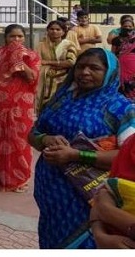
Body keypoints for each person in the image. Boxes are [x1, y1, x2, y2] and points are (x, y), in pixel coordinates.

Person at [28, 48, 135, 249]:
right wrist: (46, 139)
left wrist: (76, 155)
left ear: (110, 73)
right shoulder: (62, 99)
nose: (85, 72)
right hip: (52, 196)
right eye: (80, 67)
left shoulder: (121, 108)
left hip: (89, 197)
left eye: (94, 68)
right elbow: (33, 133)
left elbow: (127, 157)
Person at [0, 24, 40, 192]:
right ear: (5, 37)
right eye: (12, 36)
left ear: (25, 38)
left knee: (19, 139)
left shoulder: (32, 56)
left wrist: (19, 62)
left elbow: (33, 78)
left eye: (20, 36)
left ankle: (16, 179)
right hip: (0, 102)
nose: (16, 40)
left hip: (22, 105)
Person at [89, 134, 135, 249]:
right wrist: (100, 236)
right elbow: (102, 196)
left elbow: (103, 207)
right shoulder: (131, 143)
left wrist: (109, 212)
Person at [36, 20, 77, 113]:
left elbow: (71, 62)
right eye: (52, 29)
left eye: (58, 29)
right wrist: (55, 64)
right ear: (47, 30)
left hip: (63, 78)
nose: (54, 31)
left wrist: (48, 62)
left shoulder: (68, 45)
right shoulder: (41, 45)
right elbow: (38, 61)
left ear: (63, 32)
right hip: (44, 78)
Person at [112, 16, 135, 100]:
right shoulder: (116, 40)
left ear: (133, 27)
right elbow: (113, 55)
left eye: (130, 26)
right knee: (121, 87)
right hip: (120, 68)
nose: (128, 28)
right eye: (125, 26)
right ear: (121, 27)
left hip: (133, 68)